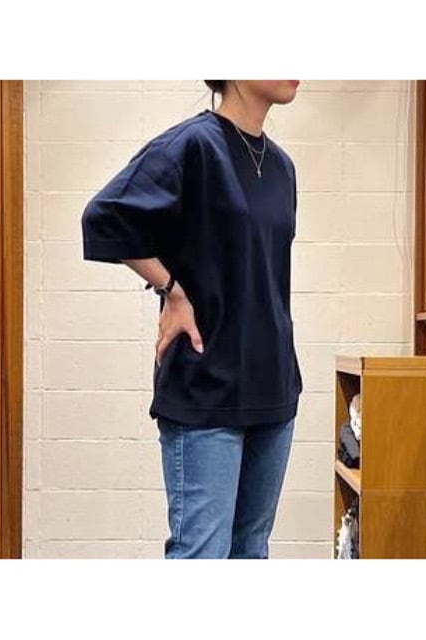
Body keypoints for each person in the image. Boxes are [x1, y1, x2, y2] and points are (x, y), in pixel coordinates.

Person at [81, 80, 303, 559]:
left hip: (274, 389)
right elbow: (103, 216)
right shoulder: (192, 146)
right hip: (206, 388)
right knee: (202, 554)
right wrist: (172, 289)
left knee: (251, 551)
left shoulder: (282, 168)